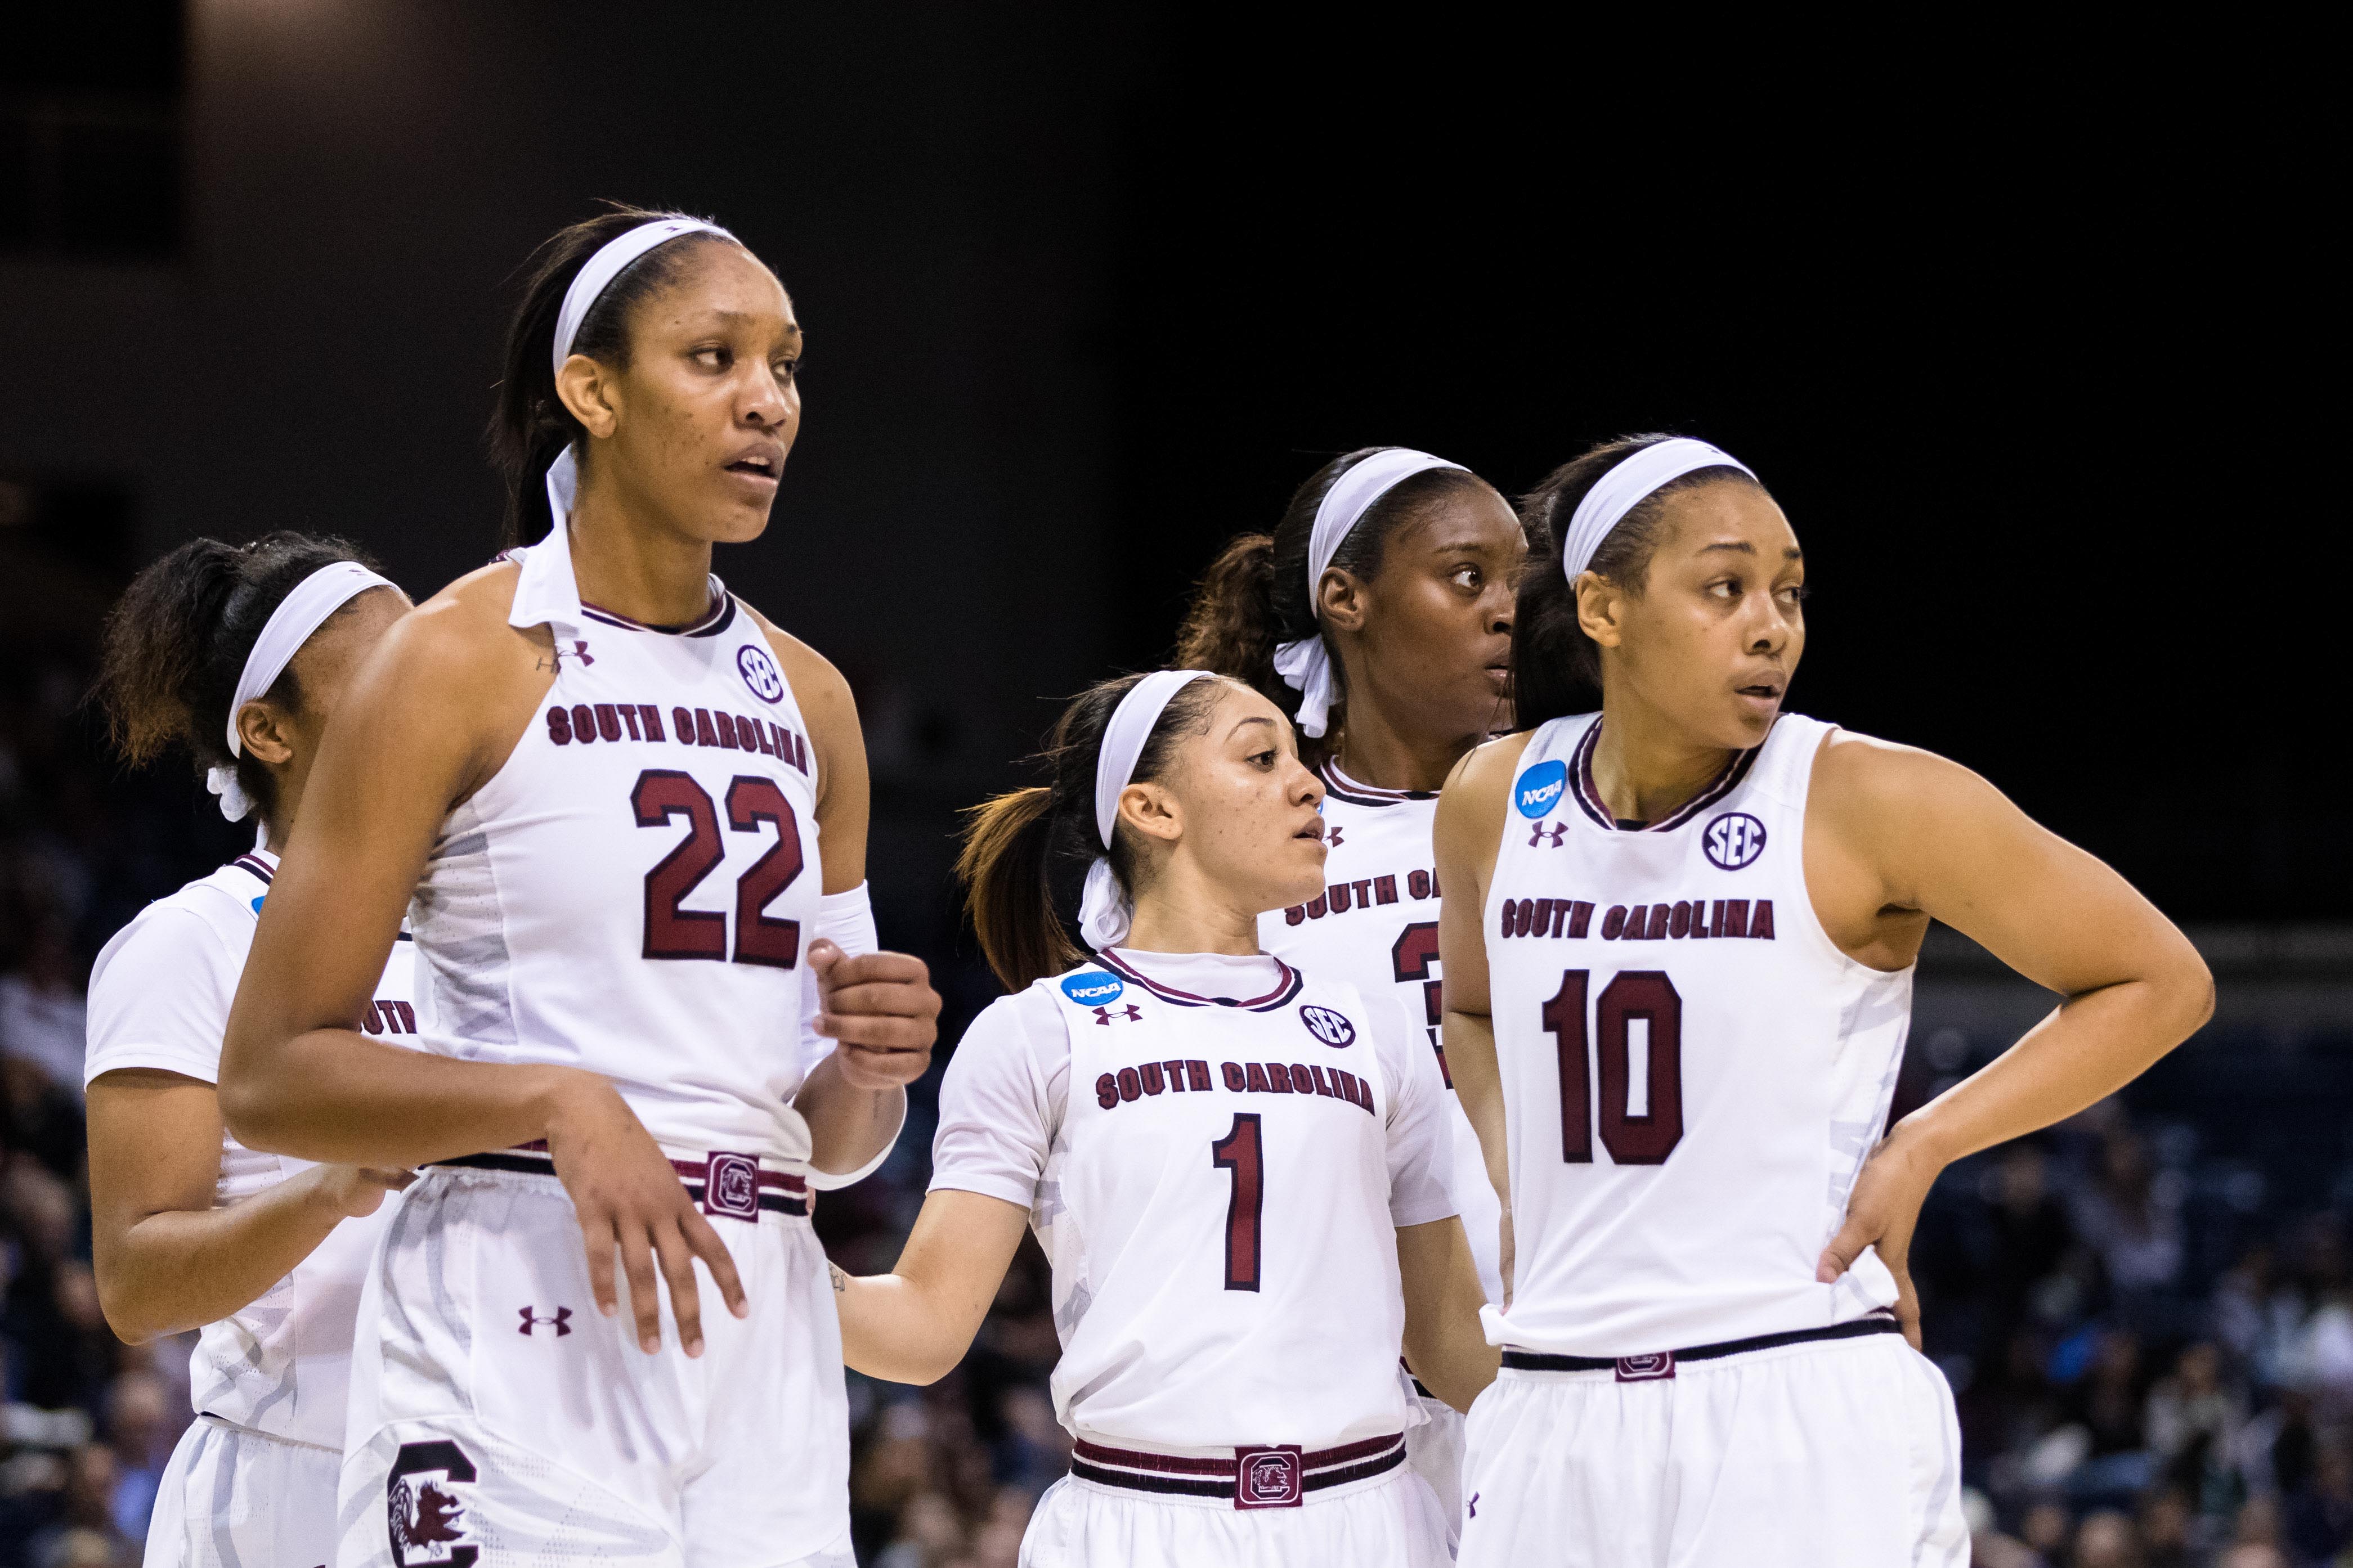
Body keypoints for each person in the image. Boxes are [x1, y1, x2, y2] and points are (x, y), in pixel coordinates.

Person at [216, 208, 942, 1566]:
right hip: (520, 1295)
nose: (766, 402)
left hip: (763, 1315)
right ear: (591, 391)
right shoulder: (451, 659)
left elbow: (835, 1136)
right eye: (713, 357)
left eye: (785, 365)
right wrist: (553, 1098)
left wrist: (876, 1065)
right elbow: (269, 1072)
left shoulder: (816, 696)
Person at [1435, 434, 2215, 1566]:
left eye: (1789, 591)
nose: (1773, 624)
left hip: (1789, 1381)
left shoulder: (1870, 797)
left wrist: (1926, 1141)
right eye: (1725, 586)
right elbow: (1471, 1009)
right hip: (1552, 1401)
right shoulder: (1495, 794)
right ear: (1602, 605)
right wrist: (1512, 1167)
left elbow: (2159, 979)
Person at [832, 670, 1495, 1567]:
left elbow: (1450, 1343)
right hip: (1141, 1521)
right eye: (1261, 760)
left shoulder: (1374, 1033)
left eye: (1299, 762)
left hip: (1371, 1516)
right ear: (1151, 808)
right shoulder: (1039, 1032)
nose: (1306, 784)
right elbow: (922, 1332)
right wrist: (778, 1265)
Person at [1173, 444, 1522, 1538]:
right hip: (1335, 1416)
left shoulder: (1584, 809)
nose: (1510, 611)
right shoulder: (1241, 849)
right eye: (1470, 578)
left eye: (1523, 581)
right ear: (1346, 598)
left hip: (1566, 1367)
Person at [82, 533, 412, 1566]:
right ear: (268, 730)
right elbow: (137, 1287)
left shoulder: (491, 940)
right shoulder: (192, 944)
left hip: (486, 1486)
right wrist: (323, 1194)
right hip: (288, 1490)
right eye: (387, 682)